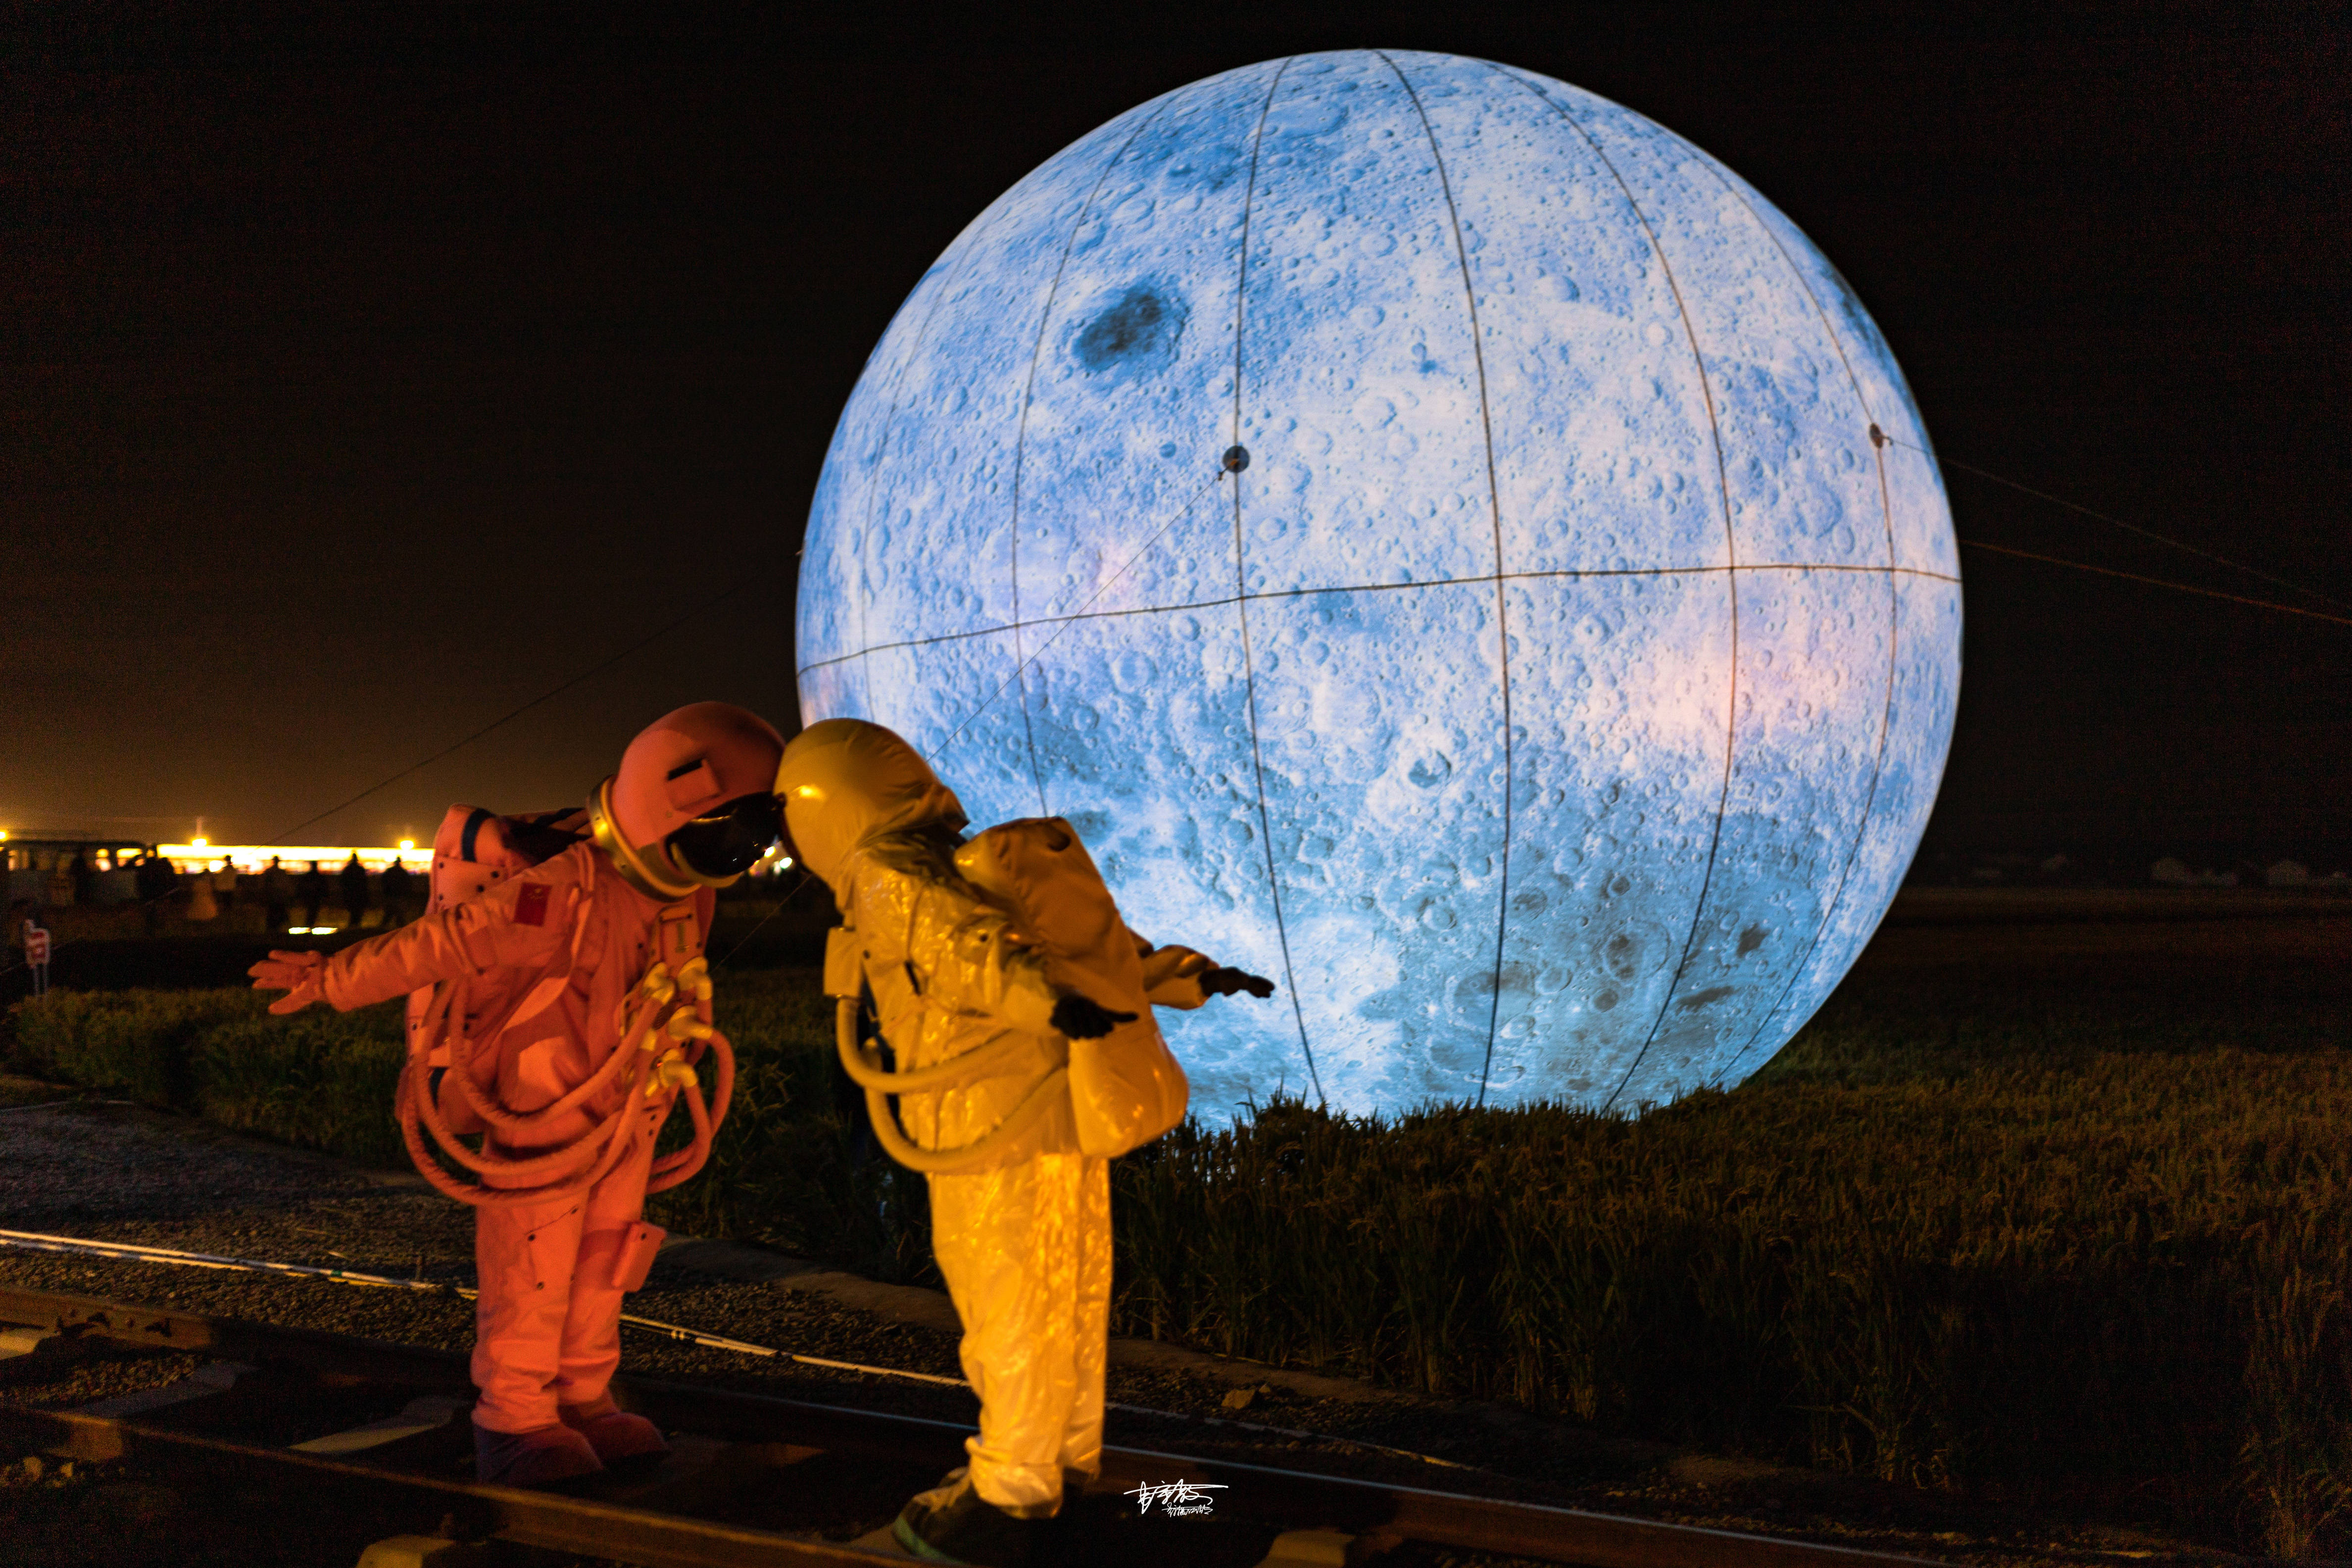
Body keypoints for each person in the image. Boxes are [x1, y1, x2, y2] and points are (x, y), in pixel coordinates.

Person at [249, 702, 786, 1488]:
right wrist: (330, 978)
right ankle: (515, 1415)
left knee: (608, 1261)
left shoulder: (680, 891)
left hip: (628, 1105)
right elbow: (443, 943)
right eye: (727, 832)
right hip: (545, 1106)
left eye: (749, 835)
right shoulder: (562, 889)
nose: (738, 853)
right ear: (669, 802)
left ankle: (583, 1399)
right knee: (533, 1268)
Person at [778, 719, 1272, 1566]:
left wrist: (1036, 997)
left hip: (984, 1122)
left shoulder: (889, 876)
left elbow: (966, 952)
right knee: (1067, 1301)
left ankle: (1007, 1495)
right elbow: (1098, 952)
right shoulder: (959, 859)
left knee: (1007, 1307)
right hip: (1054, 1113)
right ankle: (1059, 1473)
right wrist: (1191, 973)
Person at [379, 855, 415, 928]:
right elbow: (408, 885)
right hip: (400, 897)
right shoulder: (403, 873)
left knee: (388, 915)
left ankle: (381, 931)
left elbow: (383, 882)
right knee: (400, 917)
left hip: (391, 896)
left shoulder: (390, 872)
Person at [339, 853, 371, 931]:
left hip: (351, 894)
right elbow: (364, 883)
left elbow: (343, 882)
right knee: (358, 912)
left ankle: (352, 927)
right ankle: (356, 927)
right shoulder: (360, 870)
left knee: (353, 911)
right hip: (359, 894)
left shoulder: (348, 870)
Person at [261, 857, 293, 933]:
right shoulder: (281, 873)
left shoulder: (269, 872)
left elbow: (264, 885)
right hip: (279, 897)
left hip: (273, 897)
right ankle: (280, 930)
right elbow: (286, 885)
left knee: (272, 914)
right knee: (280, 914)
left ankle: (271, 931)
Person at [298, 861, 328, 930]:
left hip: (309, 898)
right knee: (314, 913)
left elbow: (302, 887)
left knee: (310, 913)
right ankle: (310, 926)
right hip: (316, 898)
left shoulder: (308, 877)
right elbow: (324, 888)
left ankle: (308, 927)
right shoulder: (319, 877)